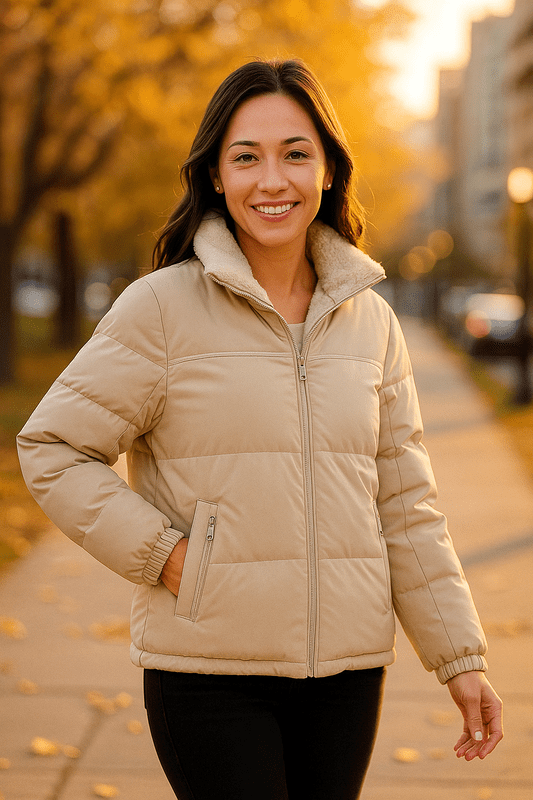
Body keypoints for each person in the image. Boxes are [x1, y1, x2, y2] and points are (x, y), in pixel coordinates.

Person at [17, 59, 503, 800]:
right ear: (214, 175)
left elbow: (406, 505)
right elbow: (52, 448)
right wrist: (169, 555)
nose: (271, 181)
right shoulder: (161, 309)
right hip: (208, 675)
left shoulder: (369, 319)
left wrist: (458, 658)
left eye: (295, 154)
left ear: (330, 171)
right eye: (246, 157)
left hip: (346, 674)